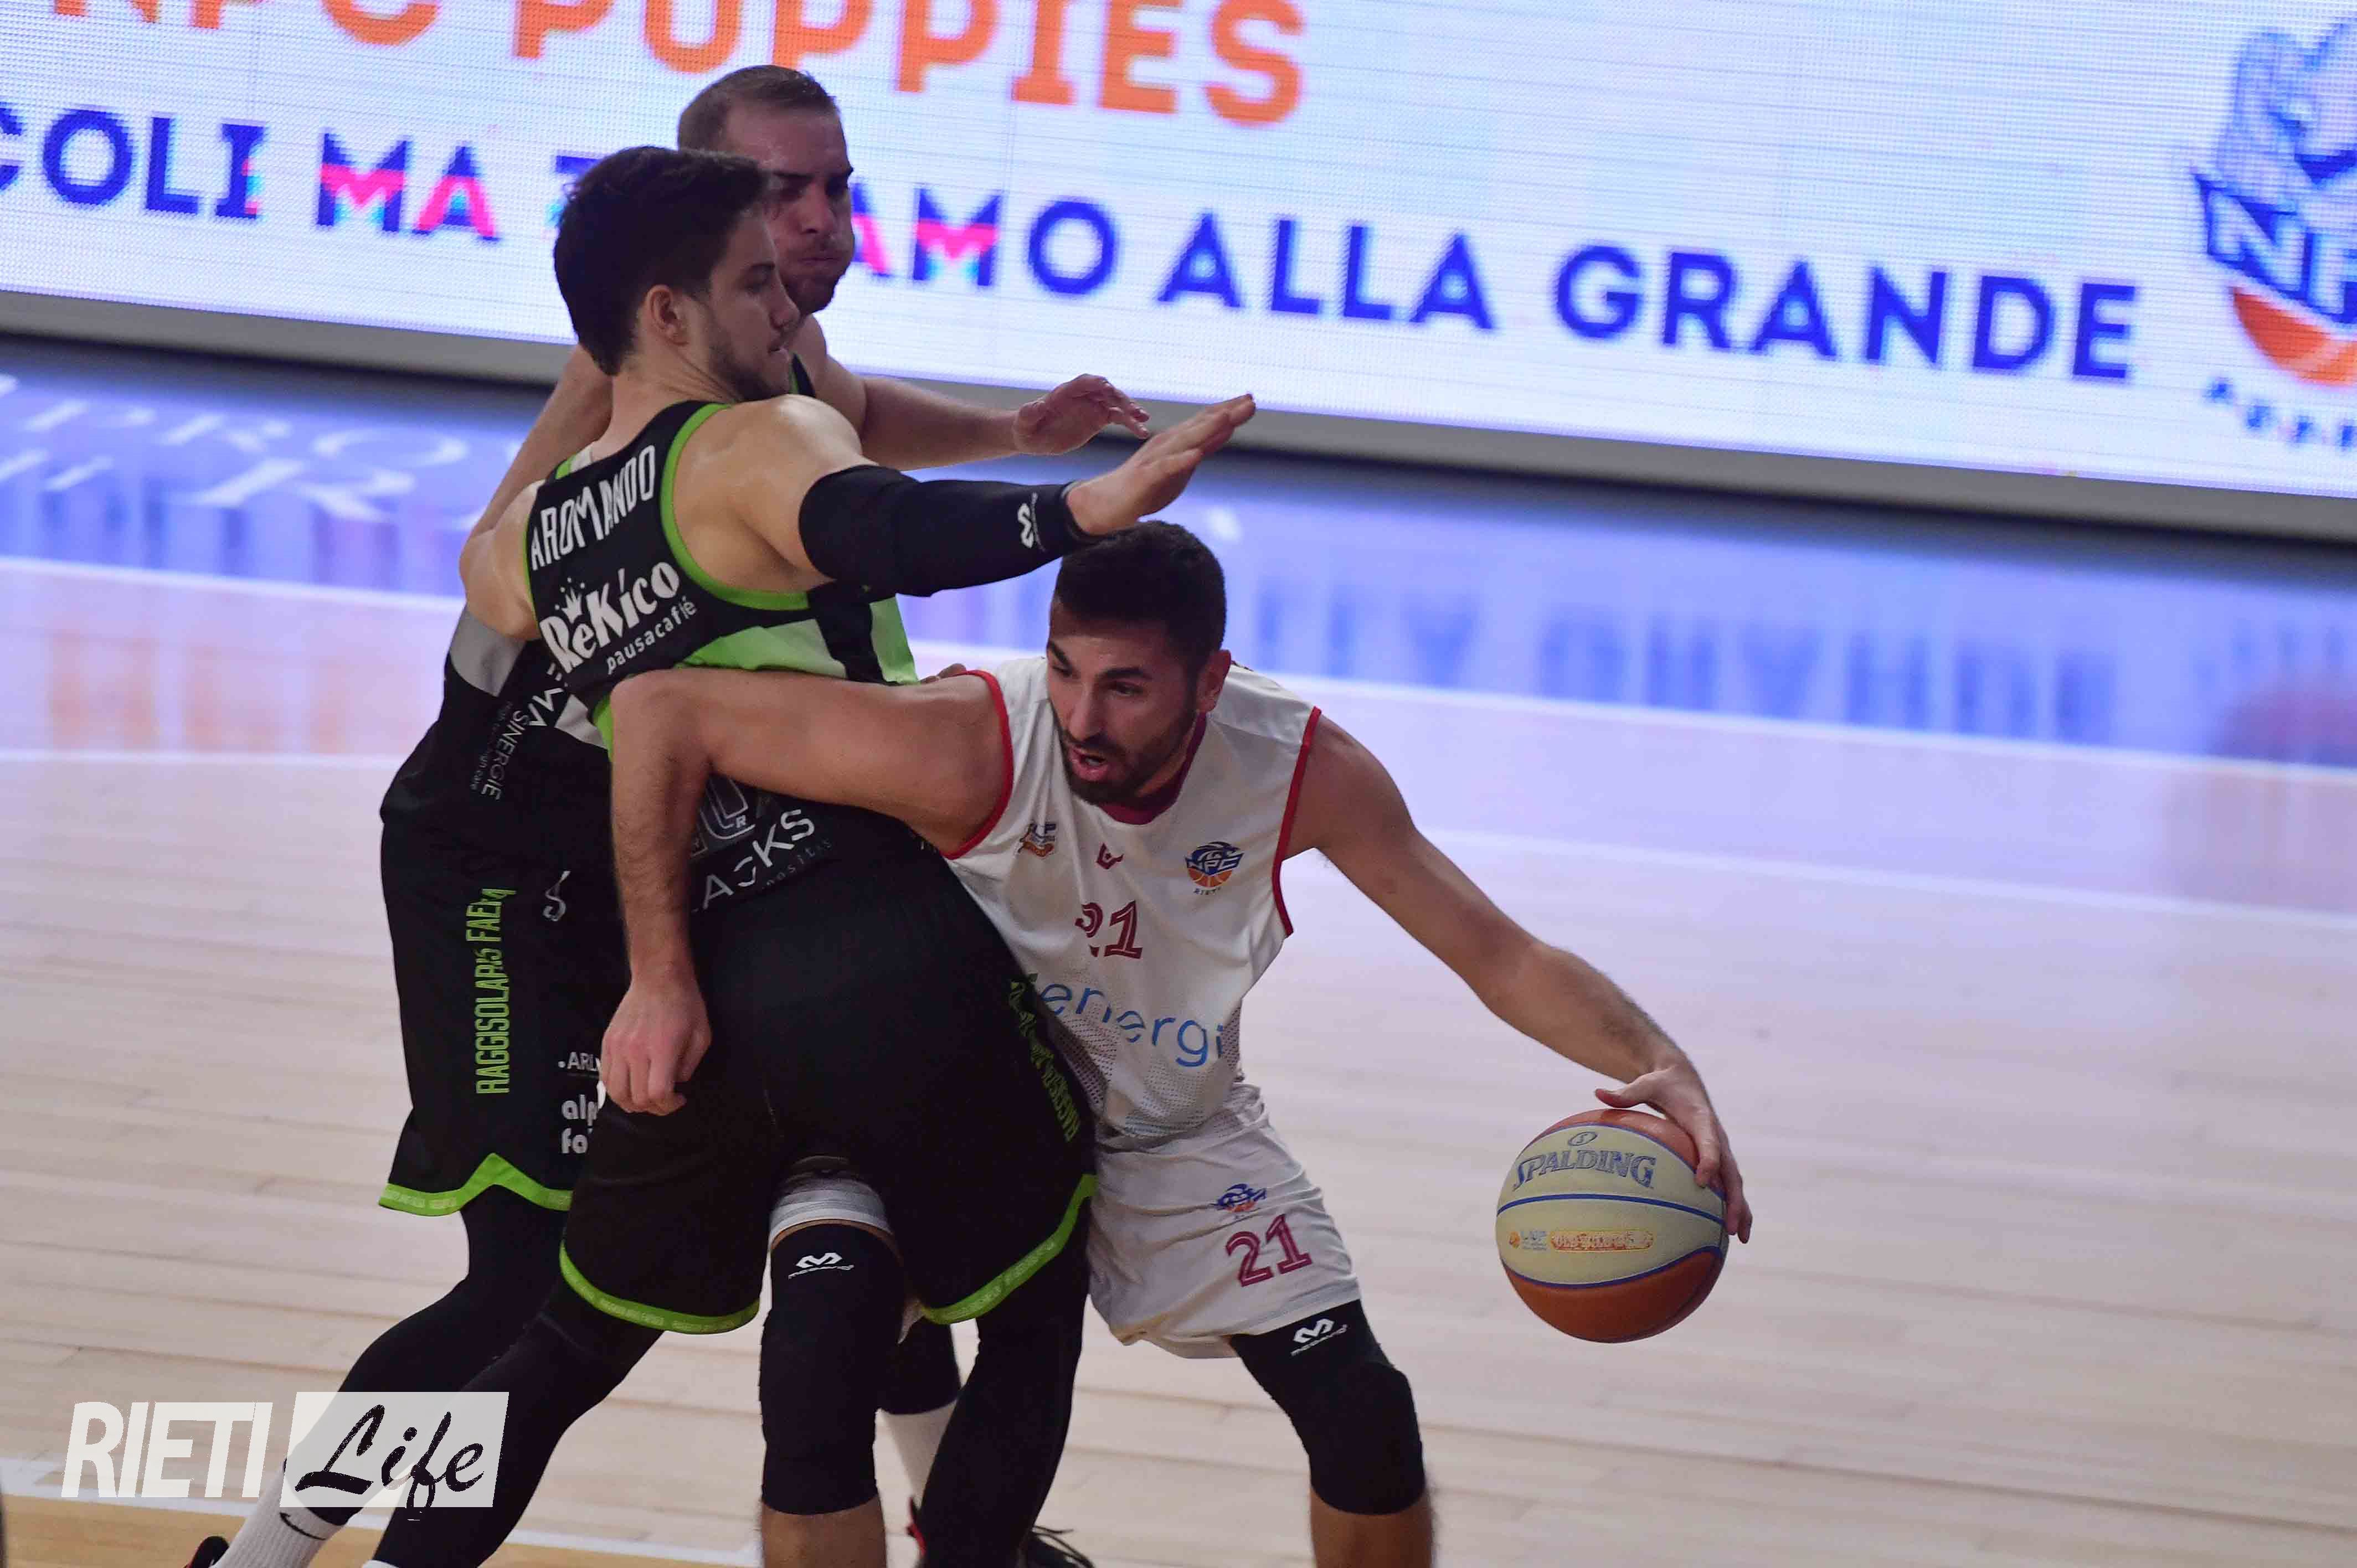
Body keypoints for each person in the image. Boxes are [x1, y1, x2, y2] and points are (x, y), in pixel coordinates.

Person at [185, 65, 1154, 1568]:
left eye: (837, 185)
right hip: (510, 850)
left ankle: (959, 1521)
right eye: (782, 194)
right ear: (684, 268)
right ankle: (261, 1558)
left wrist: (1018, 433)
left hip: (684, 846)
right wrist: (1061, 513)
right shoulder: (633, 381)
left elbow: (852, 426)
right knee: (528, 1286)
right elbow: (505, 560)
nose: (820, 219)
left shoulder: (769, 353)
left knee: (846, 1191)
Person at [598, 523, 1755, 1568]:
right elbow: (659, 712)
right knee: (813, 1370)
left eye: (1126, 687)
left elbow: (1498, 954)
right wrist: (658, 978)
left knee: (1363, 1413)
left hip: (1171, 1128)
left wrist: (1662, 1065)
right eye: (1064, 670)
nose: (1082, 717)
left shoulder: (1298, 767)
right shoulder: (972, 742)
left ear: (1211, 681)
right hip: (958, 1115)